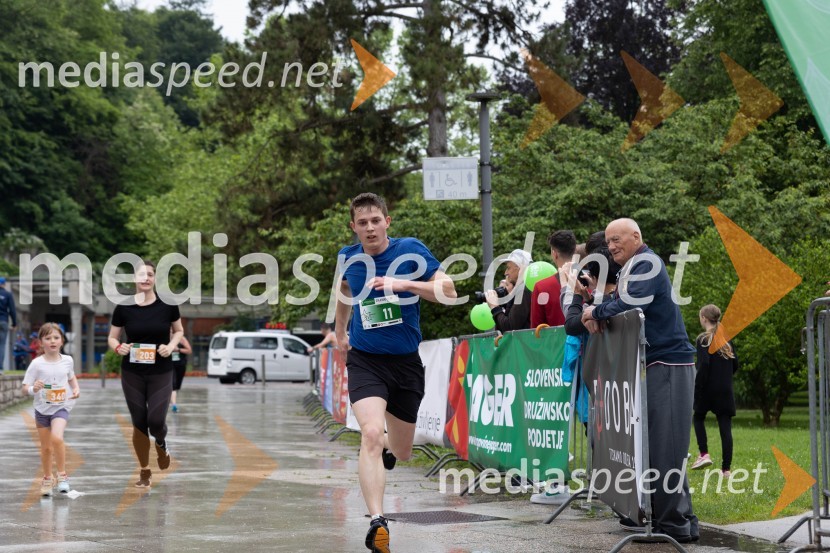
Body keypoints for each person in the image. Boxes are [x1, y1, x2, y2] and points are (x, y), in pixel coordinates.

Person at [334, 192, 456, 553]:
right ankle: (377, 522)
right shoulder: (348, 257)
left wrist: (402, 284)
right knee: (370, 433)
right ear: (353, 227)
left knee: (402, 451)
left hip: (405, 363)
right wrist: (340, 331)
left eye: (376, 220)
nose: (369, 227)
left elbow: (448, 291)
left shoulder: (411, 251)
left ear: (387, 221)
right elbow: (343, 291)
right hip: (365, 360)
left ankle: (390, 446)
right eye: (362, 222)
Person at [581, 218, 699, 543]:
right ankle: (680, 521)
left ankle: (673, 525)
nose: (612, 246)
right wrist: (596, 313)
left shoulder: (646, 262)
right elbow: (618, 307)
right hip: (659, 365)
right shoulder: (631, 268)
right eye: (608, 241)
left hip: (670, 363)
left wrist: (595, 313)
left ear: (636, 236)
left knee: (666, 449)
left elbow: (632, 304)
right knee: (664, 447)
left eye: (617, 239)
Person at [108, 260, 183, 488]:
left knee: (156, 420)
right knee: (139, 423)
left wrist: (170, 347)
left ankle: (161, 443)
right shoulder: (124, 307)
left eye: (150, 275)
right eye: (141, 274)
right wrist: (118, 347)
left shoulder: (167, 304)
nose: (146, 278)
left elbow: (178, 331)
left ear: (155, 279)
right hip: (133, 372)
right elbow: (113, 337)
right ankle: (144, 470)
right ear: (135, 279)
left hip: (161, 370)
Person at [21, 323, 81, 496]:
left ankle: (62, 476)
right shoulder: (36, 364)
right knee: (46, 448)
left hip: (61, 407)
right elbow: (25, 387)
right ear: (41, 342)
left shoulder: (68, 360)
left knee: (57, 438)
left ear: (62, 341)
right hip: (41, 409)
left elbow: (71, 378)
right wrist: (34, 389)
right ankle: (48, 478)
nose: (52, 341)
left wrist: (76, 389)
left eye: (56, 337)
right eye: (48, 338)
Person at [690, 304, 738, 476]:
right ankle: (726, 469)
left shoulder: (703, 339)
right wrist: (724, 377)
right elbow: (735, 364)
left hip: (707, 388)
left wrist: (698, 386)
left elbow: (703, 365)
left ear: (704, 318)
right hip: (725, 390)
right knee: (725, 429)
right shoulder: (726, 339)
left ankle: (704, 454)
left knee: (698, 417)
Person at [530, 230, 577, 328]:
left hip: (556, 343)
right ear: (574, 251)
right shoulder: (591, 281)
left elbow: (536, 328)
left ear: (554, 254)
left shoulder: (541, 287)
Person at [486, 249, 532, 332]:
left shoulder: (524, 290)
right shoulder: (526, 288)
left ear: (519, 268)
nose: (505, 273)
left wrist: (494, 307)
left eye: (508, 268)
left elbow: (509, 328)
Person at [170, 333, 192, 413]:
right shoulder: (163, 338)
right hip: (169, 365)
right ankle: (174, 405)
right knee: (173, 385)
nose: (170, 331)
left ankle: (173, 401)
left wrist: (178, 349)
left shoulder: (181, 339)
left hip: (180, 365)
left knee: (177, 385)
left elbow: (189, 350)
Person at [0, 276, 18, 374]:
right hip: (3, 322)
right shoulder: (8, 294)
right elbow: (12, 310)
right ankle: (0, 368)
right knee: (1, 345)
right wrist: (14, 323)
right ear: (4, 284)